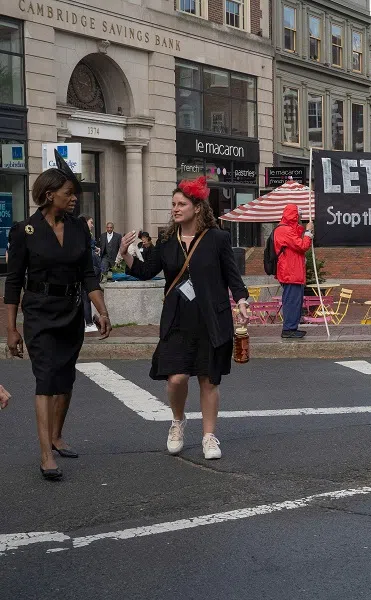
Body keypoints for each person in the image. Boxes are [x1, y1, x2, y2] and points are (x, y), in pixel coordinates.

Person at [118, 176, 250, 460]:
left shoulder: (218, 239)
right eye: (173, 204)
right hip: (177, 318)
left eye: (181, 204)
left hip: (211, 319)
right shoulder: (167, 240)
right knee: (176, 378)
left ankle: (209, 436)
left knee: (208, 380)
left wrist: (241, 300)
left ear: (197, 207)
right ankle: (178, 421)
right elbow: (146, 271)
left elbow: (232, 276)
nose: (175, 209)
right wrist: (125, 254)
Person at [5, 150, 112, 480]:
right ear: (50, 195)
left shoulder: (79, 228)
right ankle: (45, 454)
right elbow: (12, 284)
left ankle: (57, 435)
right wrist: (10, 329)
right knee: (46, 379)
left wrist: (101, 309)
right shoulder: (25, 231)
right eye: (69, 194)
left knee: (65, 377)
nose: (74, 200)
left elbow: (88, 275)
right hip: (38, 313)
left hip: (70, 311)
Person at [273, 205, 314, 339]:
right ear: (293, 216)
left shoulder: (284, 229)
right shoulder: (285, 230)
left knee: (294, 300)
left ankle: (292, 327)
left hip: (291, 272)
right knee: (292, 301)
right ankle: (289, 328)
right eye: (298, 216)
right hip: (291, 272)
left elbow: (295, 238)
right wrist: (308, 232)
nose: (300, 218)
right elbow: (302, 245)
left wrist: (303, 228)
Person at [79, 215, 102, 332]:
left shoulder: (87, 238)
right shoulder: (83, 238)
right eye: (91, 223)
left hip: (93, 271)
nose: (92, 225)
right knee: (86, 297)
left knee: (86, 298)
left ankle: (88, 321)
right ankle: (88, 322)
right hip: (89, 272)